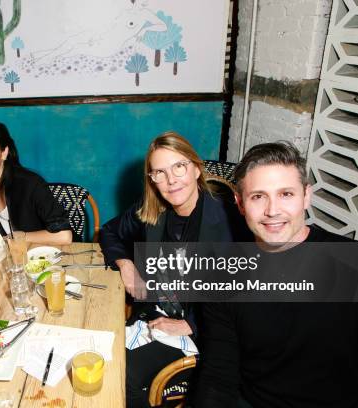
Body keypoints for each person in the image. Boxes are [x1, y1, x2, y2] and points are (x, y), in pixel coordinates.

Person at [194, 142, 358, 407]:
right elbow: (218, 375)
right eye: (258, 196)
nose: (273, 210)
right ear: (239, 203)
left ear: (306, 196)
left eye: (286, 194)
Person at [100, 131, 250, 407]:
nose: (170, 180)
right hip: (155, 314)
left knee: (123, 375)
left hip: (206, 333)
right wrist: (126, 264)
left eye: (179, 166)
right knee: (100, 353)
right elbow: (109, 232)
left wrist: (190, 323)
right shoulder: (154, 210)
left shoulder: (231, 219)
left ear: (196, 168)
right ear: (152, 180)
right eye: (159, 172)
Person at [0, 119, 72, 244]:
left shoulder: (29, 184)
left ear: (4, 152)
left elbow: (64, 236)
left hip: (55, 256)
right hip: (15, 259)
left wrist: (12, 238)